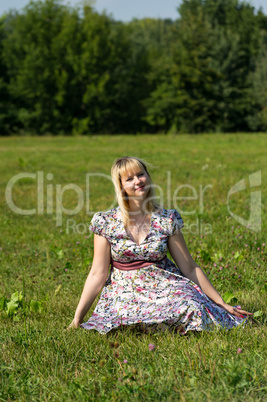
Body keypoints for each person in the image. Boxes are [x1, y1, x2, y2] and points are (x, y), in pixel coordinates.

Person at [68, 156, 252, 334]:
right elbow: (97, 273)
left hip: (165, 284)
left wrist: (221, 303)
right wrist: (77, 319)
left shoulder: (166, 219)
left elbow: (189, 267)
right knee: (125, 319)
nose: (138, 181)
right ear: (121, 186)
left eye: (141, 174)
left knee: (192, 307)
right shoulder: (106, 222)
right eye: (129, 179)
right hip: (125, 290)